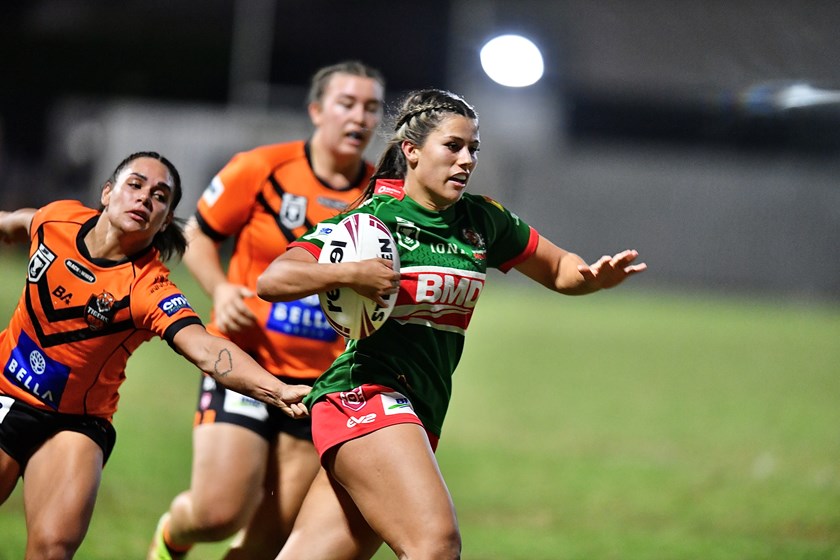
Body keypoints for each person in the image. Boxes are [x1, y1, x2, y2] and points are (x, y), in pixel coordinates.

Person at [255, 88, 648, 560]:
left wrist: (593, 279)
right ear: (412, 151)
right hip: (364, 395)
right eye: (454, 146)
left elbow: (560, 269)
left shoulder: (482, 220)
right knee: (435, 546)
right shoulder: (372, 219)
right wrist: (349, 271)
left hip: (421, 407)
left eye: (474, 149)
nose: (467, 160)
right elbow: (275, 279)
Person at [0, 151, 311, 560]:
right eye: (136, 185)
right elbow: (15, 223)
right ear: (107, 193)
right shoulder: (57, 219)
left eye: (161, 196)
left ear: (165, 221)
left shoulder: (150, 288)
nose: (146, 197)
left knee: (52, 548)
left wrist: (275, 388)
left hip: (75, 423)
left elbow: (205, 347)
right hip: (5, 389)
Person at [148, 61, 385, 560]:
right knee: (218, 513)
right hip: (245, 361)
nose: (359, 117)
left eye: (370, 107)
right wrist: (221, 289)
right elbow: (197, 234)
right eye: (346, 103)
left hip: (320, 383)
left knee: (269, 538)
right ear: (317, 110)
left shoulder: (383, 197)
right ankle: (174, 535)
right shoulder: (262, 168)